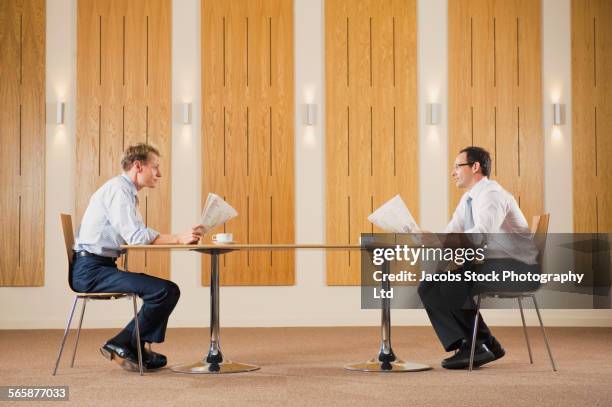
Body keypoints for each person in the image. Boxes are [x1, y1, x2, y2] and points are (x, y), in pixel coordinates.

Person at [72, 143, 204, 372]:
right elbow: (136, 237)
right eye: (156, 167)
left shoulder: (123, 192)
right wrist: (178, 238)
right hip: (91, 272)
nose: (159, 174)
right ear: (138, 166)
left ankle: (133, 344)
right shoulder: (119, 190)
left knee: (165, 290)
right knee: (165, 290)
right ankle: (128, 343)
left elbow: (135, 235)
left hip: (99, 267)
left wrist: (177, 238)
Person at [418, 146, 539, 369]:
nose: (453, 172)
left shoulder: (492, 194)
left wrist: (441, 240)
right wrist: (434, 239)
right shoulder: (468, 200)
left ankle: (478, 345)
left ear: (475, 167)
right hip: (494, 265)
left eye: (457, 166)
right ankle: (479, 344)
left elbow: (481, 235)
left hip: (519, 269)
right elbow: (453, 233)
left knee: (450, 281)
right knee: (428, 286)